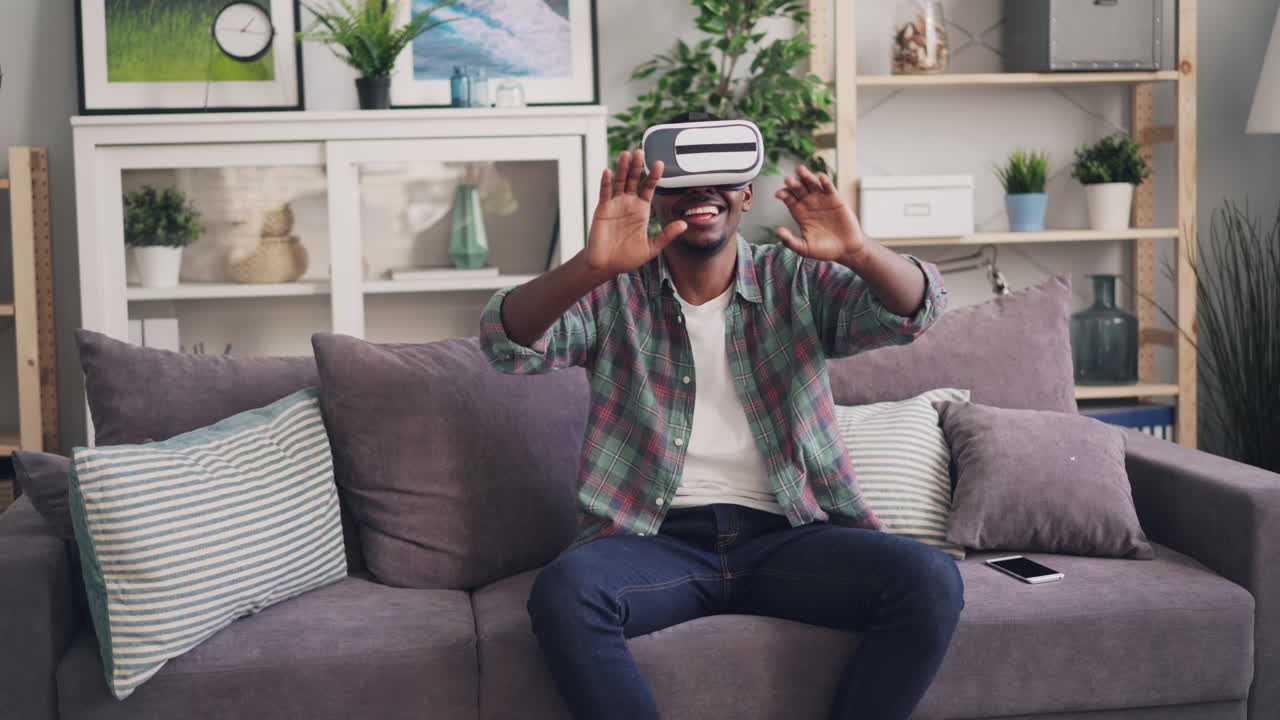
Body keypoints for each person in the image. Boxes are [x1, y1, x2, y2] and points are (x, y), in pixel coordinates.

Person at [479, 112, 963, 720]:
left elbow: (918, 310)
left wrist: (861, 252)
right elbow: (505, 344)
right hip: (655, 543)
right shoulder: (614, 293)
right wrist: (591, 267)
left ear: (746, 193)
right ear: (655, 197)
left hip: (790, 537)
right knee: (566, 593)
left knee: (929, 579)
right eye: (681, 179)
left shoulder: (796, 281)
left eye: (722, 177)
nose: (703, 192)